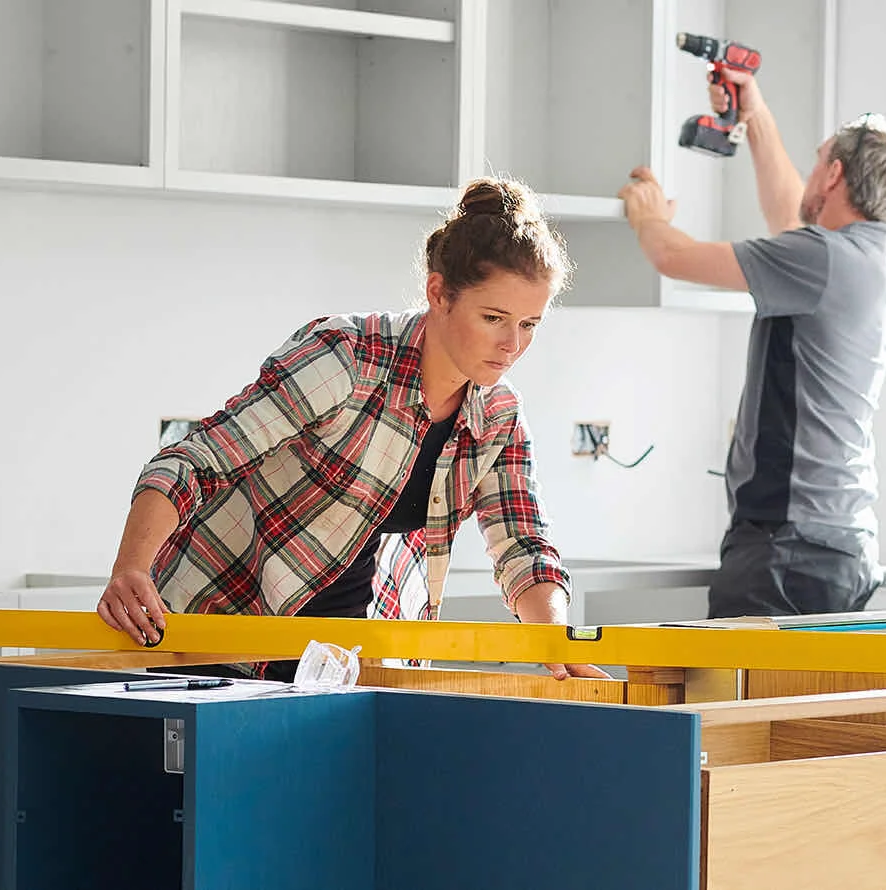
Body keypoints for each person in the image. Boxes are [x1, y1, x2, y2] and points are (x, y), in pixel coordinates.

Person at [96, 178, 606, 681]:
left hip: (341, 666)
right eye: (494, 317)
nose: (512, 344)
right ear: (438, 293)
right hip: (220, 639)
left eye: (529, 325)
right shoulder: (345, 358)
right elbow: (193, 462)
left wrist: (556, 643)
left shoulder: (497, 416)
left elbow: (524, 548)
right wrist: (131, 570)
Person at [619, 70, 886, 618]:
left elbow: (673, 258)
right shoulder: (870, 265)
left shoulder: (819, 259)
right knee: (799, 706)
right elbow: (789, 215)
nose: (807, 175)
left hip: (787, 550)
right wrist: (754, 114)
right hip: (836, 546)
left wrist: (648, 215)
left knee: (729, 702)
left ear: (833, 174)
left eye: (817, 161)